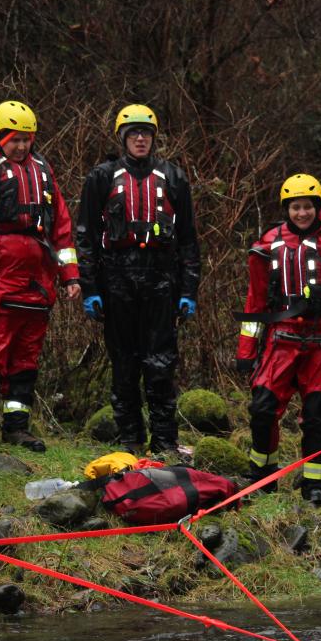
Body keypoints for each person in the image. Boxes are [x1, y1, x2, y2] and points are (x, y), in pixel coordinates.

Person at [234, 174, 321, 506]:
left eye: (308, 207)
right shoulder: (269, 244)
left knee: (318, 413)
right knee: (263, 407)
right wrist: (246, 351)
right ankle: (262, 472)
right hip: (282, 339)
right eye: (296, 207)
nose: (302, 214)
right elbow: (256, 300)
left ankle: (314, 483)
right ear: (287, 209)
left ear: (319, 208)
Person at [0, 100, 80, 454]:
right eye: (14, 139)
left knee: (26, 356)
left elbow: (61, 227)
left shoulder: (43, 171)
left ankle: (16, 426)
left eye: (26, 139)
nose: (21, 146)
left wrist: (70, 276)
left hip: (37, 281)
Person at [75, 104, 200, 459]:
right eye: (134, 133)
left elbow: (189, 239)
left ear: (154, 137)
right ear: (123, 138)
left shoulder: (174, 177)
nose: (140, 138)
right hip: (117, 279)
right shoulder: (101, 177)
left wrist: (188, 291)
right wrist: (90, 288)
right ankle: (130, 437)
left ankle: (164, 441)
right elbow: (86, 236)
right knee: (124, 363)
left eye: (146, 132)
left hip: (162, 279)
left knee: (161, 364)